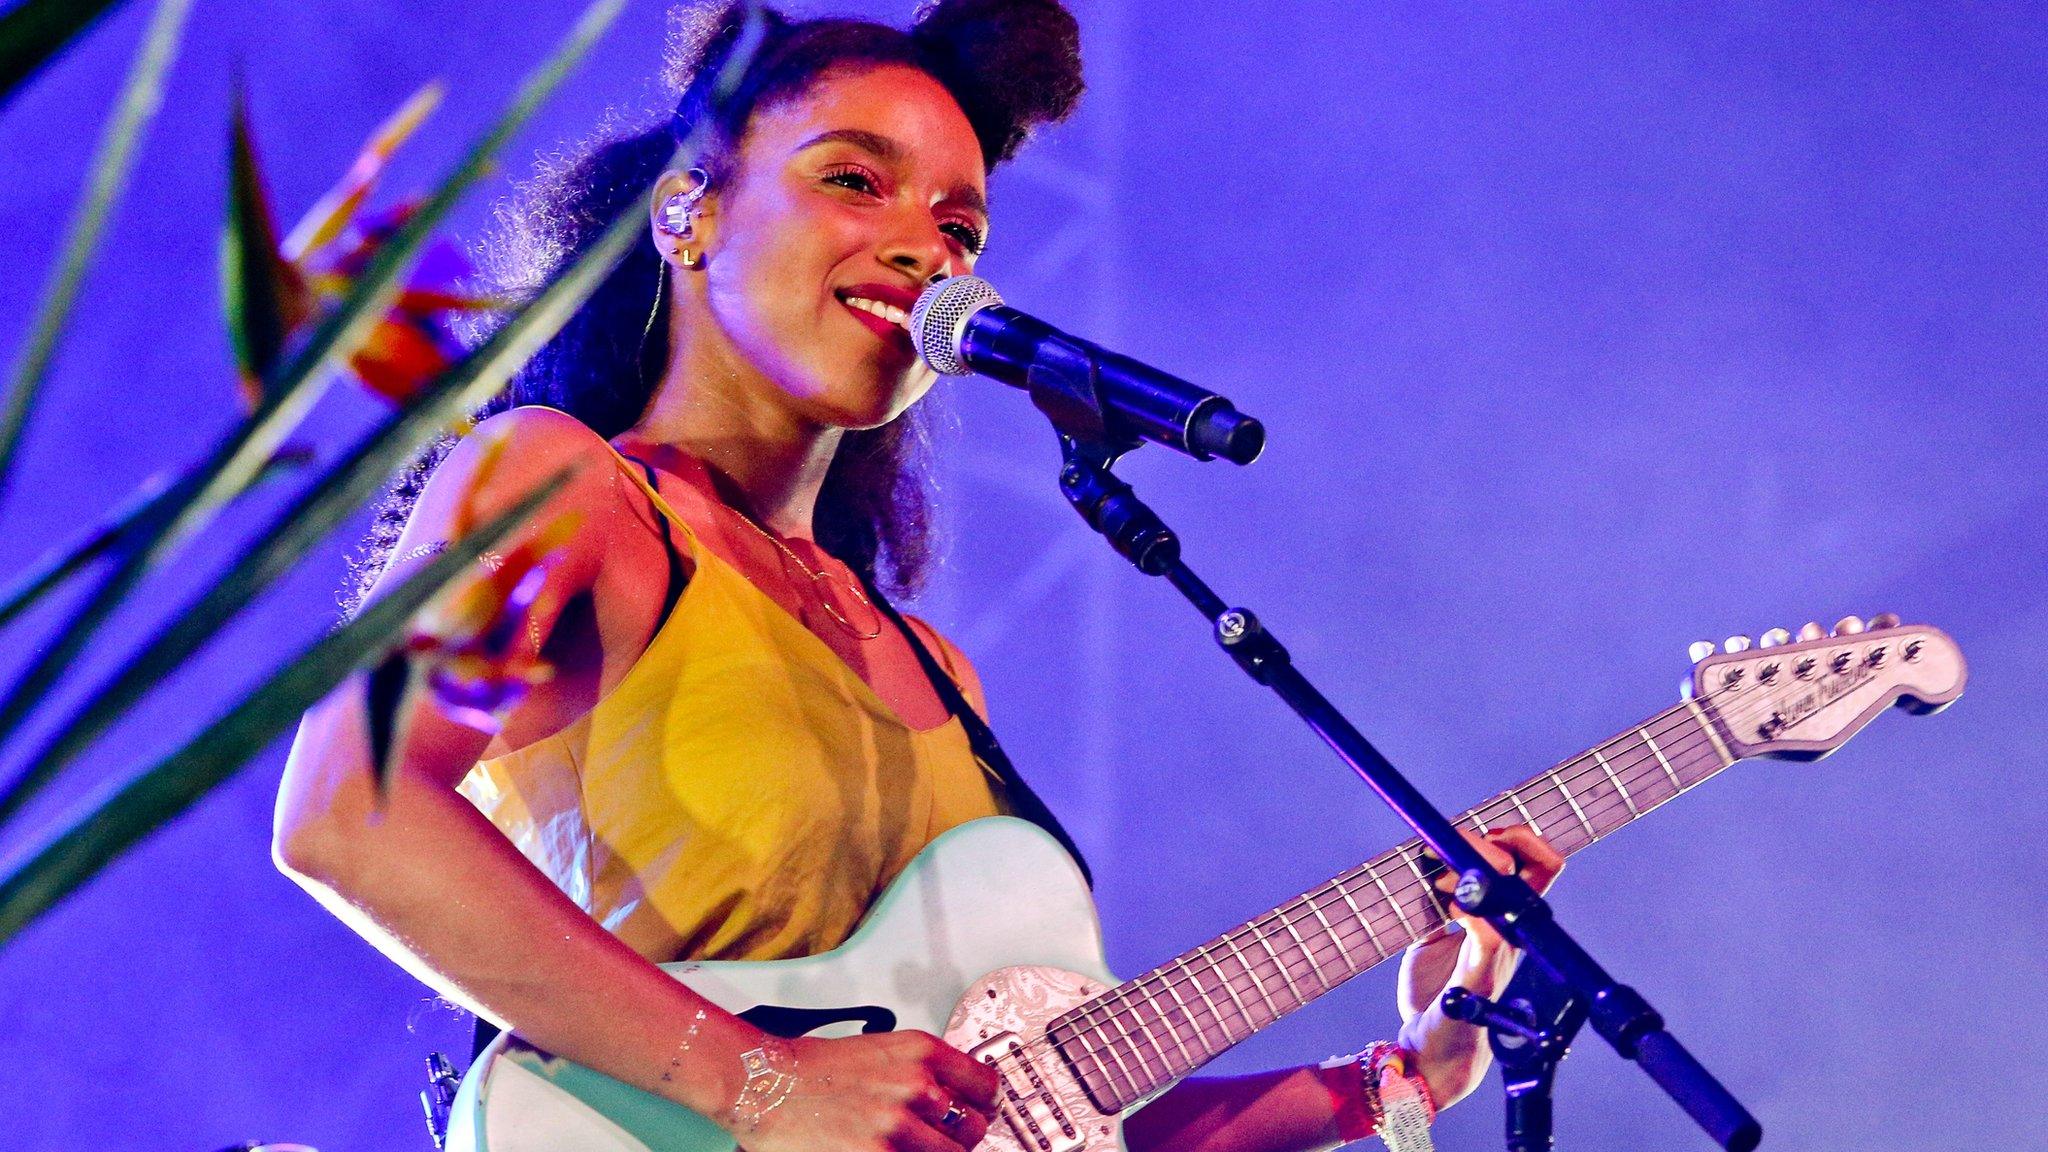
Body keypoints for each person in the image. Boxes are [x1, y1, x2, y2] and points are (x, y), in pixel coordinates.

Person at [274, 3, 1564, 1149]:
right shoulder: (562, 485)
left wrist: (1410, 1069)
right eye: (854, 181)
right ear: (691, 211)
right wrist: (762, 1088)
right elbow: (347, 814)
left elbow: (1041, 1115)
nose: (926, 251)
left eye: (959, 225)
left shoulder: (934, 668)